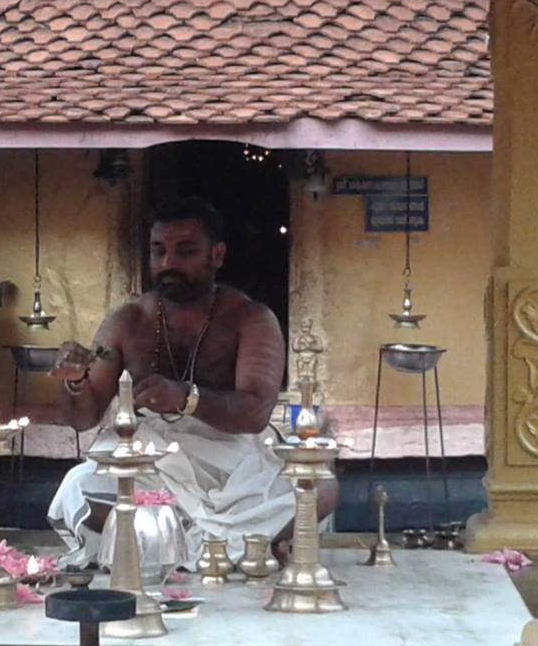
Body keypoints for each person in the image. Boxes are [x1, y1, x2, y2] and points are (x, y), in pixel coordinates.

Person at [46, 197, 336, 564]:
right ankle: (232, 546)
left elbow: (255, 412)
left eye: (185, 251)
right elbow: (83, 418)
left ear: (216, 255)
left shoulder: (251, 319)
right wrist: (74, 382)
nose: (168, 264)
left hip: (231, 463)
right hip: (148, 462)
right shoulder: (126, 321)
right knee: (78, 487)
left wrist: (185, 398)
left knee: (322, 488)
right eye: (158, 251)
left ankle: (171, 543)